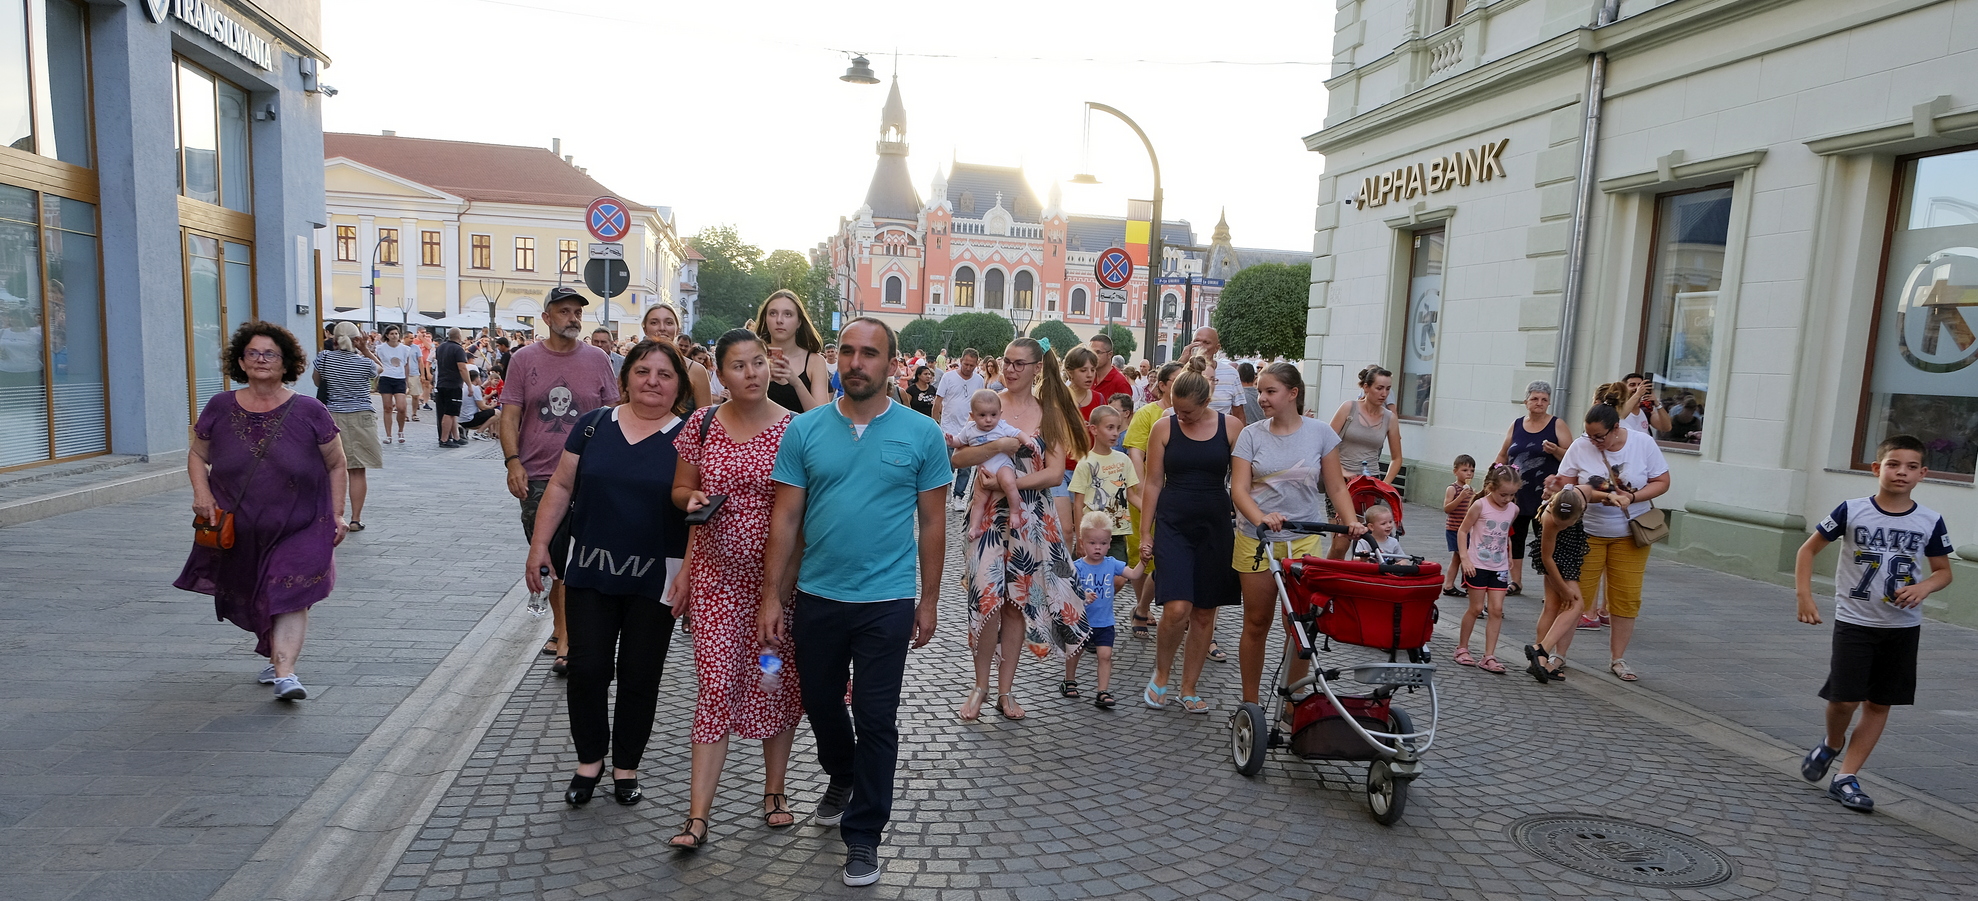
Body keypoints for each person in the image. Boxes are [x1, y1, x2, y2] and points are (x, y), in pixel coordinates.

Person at [758, 317, 947, 887]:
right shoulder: (806, 430)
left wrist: (929, 600)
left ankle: (863, 835)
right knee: (819, 703)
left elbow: (934, 522)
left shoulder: (921, 434)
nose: (856, 363)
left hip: (886, 599)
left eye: (870, 354)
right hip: (816, 594)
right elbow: (786, 517)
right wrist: (772, 595)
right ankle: (840, 771)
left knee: (877, 716)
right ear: (836, 358)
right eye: (847, 352)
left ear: (892, 365)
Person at [524, 339, 689, 811]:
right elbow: (559, 485)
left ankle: (626, 766)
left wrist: (692, 576)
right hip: (588, 572)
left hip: (657, 577)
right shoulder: (593, 426)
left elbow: (699, 511)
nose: (652, 381)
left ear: (678, 384)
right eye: (643, 371)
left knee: (641, 675)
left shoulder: (688, 437)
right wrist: (539, 545)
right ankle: (589, 761)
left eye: (664, 374)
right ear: (625, 378)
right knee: (587, 668)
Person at [662, 328, 801, 848]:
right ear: (719, 374)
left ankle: (774, 792)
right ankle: (698, 818)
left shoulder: (796, 431)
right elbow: (679, 489)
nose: (751, 373)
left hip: (779, 587)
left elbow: (801, 517)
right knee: (715, 687)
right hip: (716, 587)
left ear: (770, 366)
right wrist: (690, 500)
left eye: (758, 362)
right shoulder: (700, 424)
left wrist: (781, 593)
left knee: (774, 683)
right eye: (739, 365)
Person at [176, 321, 348, 701]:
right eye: (252, 353)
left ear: (286, 364)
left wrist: (337, 514)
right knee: (257, 591)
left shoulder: (310, 410)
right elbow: (197, 454)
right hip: (243, 526)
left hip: (303, 522)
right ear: (240, 360)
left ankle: (286, 673)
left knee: (290, 590)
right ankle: (275, 655)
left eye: (270, 354)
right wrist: (201, 494)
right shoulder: (220, 406)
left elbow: (337, 463)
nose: (261, 360)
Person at [1793, 435, 1954, 813]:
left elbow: (1944, 572)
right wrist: (1804, 595)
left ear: (1923, 473)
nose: (1902, 472)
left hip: (1902, 627)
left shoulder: (1929, 520)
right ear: (1876, 468)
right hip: (1855, 621)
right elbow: (1808, 549)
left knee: (1880, 703)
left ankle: (1845, 777)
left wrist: (1925, 586)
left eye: (1912, 467)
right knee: (1844, 698)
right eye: (1894, 464)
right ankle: (1833, 743)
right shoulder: (1852, 510)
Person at [953, 336, 1091, 723]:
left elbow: (1052, 472)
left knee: (1015, 606)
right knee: (986, 600)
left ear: (1036, 369)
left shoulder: (1050, 413)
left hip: (1030, 518)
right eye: (1007, 362)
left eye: (1019, 364)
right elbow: (959, 454)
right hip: (987, 517)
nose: (1010, 369)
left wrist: (1008, 482)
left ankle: (1005, 691)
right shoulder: (989, 401)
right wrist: (997, 449)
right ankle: (979, 686)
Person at [501, 286, 621, 676]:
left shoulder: (598, 359)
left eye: (576, 312)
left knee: (582, 560)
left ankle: (569, 637)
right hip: (538, 475)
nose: (572, 317)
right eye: (563, 311)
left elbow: (613, 413)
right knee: (552, 559)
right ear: (547, 318)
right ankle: (562, 629)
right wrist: (512, 462)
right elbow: (510, 415)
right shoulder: (523, 359)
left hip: (590, 475)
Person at [1228, 362, 1362, 708]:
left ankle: (1292, 699)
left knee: (1300, 623)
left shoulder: (1320, 433)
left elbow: (1334, 484)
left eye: (1270, 391)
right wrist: (1261, 518)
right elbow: (1239, 490)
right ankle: (1251, 704)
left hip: (1304, 535)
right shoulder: (1251, 434)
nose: (1262, 398)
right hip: (1257, 539)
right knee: (1257, 622)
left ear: (1293, 394)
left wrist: (1351, 522)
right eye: (1260, 391)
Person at [1137, 356, 1239, 714]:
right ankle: (1161, 674)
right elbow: (1152, 482)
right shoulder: (1163, 428)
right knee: (1177, 606)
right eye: (1177, 411)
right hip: (1173, 522)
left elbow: (1242, 483)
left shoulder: (1232, 428)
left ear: (1206, 403)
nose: (1181, 417)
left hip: (1215, 525)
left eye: (1188, 413)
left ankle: (1189, 686)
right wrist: (1145, 531)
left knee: (1205, 612)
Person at [1558, 401, 1671, 682]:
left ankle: (1618, 659)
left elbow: (1662, 481)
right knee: (1575, 596)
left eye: (1599, 436)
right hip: (1587, 531)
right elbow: (1566, 483)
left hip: (1631, 533)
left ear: (1616, 428)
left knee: (1626, 598)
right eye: (1588, 435)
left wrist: (1632, 497)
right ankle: (1558, 654)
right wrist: (1557, 486)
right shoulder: (1581, 446)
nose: (1593, 441)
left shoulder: (1642, 444)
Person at [1494, 380, 1572, 595]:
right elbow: (1503, 454)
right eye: (1535, 399)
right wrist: (1495, 474)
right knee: (1515, 537)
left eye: (1544, 400)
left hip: (1545, 494)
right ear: (1526, 401)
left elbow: (1572, 456)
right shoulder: (1517, 424)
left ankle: (1553, 586)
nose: (1539, 403)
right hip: (1517, 493)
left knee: (1546, 540)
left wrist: (1556, 450)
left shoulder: (1557, 425)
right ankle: (1516, 581)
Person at [1123, 361, 1183, 640]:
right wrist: (1145, 492)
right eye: (1176, 380)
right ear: (1162, 385)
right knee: (1142, 555)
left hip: (1177, 496)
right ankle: (1143, 609)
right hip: (1146, 493)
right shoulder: (1147, 414)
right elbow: (1136, 453)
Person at [1062, 511, 1143, 709]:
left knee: (1105, 656)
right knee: (1075, 653)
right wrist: (1083, 595)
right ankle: (1069, 680)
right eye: (1092, 543)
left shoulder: (1111, 564)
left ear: (1109, 543)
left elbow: (1133, 574)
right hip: (1081, 621)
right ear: (1082, 543)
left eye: (1103, 543)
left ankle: (1102, 691)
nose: (1098, 548)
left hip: (1105, 622)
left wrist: (1144, 561)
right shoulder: (1078, 567)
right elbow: (1067, 591)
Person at [1523, 476, 1597, 683]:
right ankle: (1541, 650)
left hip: (1568, 555)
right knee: (1576, 604)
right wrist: (1564, 588)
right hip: (1556, 560)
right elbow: (1547, 558)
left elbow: (1592, 491)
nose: (1562, 526)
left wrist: (1609, 496)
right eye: (1559, 523)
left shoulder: (1581, 495)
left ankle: (1537, 664)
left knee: (1552, 606)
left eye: (1567, 524)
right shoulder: (1549, 519)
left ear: (1580, 511)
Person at [312, 322, 382, 531]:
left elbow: (317, 382)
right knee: (357, 471)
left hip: (333, 416)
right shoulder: (363, 363)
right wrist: (365, 349)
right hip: (362, 416)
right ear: (356, 339)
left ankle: (330, 516)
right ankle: (355, 519)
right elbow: (380, 369)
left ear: (334, 339)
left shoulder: (323, 358)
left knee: (332, 468)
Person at [1329, 364, 1403, 558]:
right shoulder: (1349, 408)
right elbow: (1326, 443)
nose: (1384, 393)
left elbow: (1397, 457)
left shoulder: (1389, 418)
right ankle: (1328, 581)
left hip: (1370, 484)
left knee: (1368, 543)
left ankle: (1356, 581)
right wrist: (1342, 472)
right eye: (1379, 388)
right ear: (1366, 387)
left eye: (1388, 389)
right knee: (1340, 542)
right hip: (1341, 482)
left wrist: (1384, 485)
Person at [1454, 465, 1521, 674]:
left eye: (1512, 495)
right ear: (1491, 487)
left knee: (1496, 610)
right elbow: (1462, 530)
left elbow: (1505, 534)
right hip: (1477, 564)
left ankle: (1489, 655)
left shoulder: (1513, 509)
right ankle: (1462, 648)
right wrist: (1465, 559)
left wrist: (1508, 556)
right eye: (1503, 494)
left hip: (1499, 567)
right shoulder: (1480, 506)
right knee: (1475, 609)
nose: (1508, 499)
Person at [948, 389, 1025, 539]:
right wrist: (951, 441)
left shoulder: (1001, 426)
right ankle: (974, 528)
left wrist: (1027, 441)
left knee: (1009, 483)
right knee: (978, 500)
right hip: (983, 471)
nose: (988, 420)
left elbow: (1017, 433)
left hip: (1003, 466)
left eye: (993, 415)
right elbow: (960, 442)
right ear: (972, 416)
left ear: (1000, 414)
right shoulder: (970, 429)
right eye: (982, 415)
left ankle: (1015, 512)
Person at [1069, 404, 1139, 562]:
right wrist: (1080, 538)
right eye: (1110, 428)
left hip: (1117, 532)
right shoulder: (1085, 463)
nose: (1115, 433)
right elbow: (1078, 504)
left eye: (1117, 428)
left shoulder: (1124, 460)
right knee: (1087, 576)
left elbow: (1131, 495)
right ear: (1094, 429)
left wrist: (1152, 511)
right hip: (1092, 532)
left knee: (1119, 576)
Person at [754, 289, 832, 412]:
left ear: (799, 322)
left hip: (801, 431)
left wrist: (796, 382)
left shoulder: (815, 361)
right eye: (773, 313)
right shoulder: (752, 355)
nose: (779, 320)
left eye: (788, 314)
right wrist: (762, 381)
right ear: (765, 319)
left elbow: (821, 417)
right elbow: (737, 408)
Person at [934, 348, 985, 513]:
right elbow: (938, 400)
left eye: (972, 365)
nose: (968, 368)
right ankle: (947, 486)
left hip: (969, 429)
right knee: (947, 463)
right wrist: (936, 422)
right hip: (948, 427)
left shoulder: (979, 380)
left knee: (966, 466)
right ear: (960, 361)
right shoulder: (949, 377)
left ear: (976, 364)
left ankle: (958, 496)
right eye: (966, 364)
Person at [640, 302, 713, 408]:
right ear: (645, 329)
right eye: (654, 323)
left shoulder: (696, 371)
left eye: (669, 323)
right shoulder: (632, 365)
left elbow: (704, 418)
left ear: (677, 329)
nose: (662, 328)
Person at [1184, 327, 1245, 427]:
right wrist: (1182, 361)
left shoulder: (1231, 373)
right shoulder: (1183, 370)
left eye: (1206, 343)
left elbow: (1238, 413)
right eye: (1196, 341)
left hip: (1219, 433)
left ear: (1217, 348)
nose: (1200, 346)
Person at [1442, 455, 1477, 597]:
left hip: (1467, 530)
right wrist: (1461, 497)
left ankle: (1449, 585)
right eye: (1465, 470)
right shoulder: (1453, 489)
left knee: (1458, 558)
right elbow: (1447, 508)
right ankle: (1468, 585)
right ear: (1455, 471)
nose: (1469, 473)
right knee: (1464, 557)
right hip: (1454, 529)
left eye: (1472, 470)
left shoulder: (1471, 490)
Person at [375, 325, 416, 444]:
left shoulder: (405, 349)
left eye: (396, 333)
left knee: (401, 407)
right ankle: (388, 435)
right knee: (387, 407)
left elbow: (407, 365)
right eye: (392, 333)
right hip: (386, 377)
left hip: (399, 378)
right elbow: (377, 362)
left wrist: (407, 380)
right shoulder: (381, 348)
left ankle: (401, 431)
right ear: (387, 335)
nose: (394, 336)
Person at [434, 328, 470, 447]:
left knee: (452, 412)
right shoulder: (458, 349)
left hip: (441, 383)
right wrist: (469, 385)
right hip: (453, 384)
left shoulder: (440, 348)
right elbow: (462, 368)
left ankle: (456, 437)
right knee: (449, 413)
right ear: (459, 337)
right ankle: (444, 439)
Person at [1619, 373, 1672, 437]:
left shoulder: (1645, 410)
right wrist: (1638, 394)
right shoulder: (1618, 408)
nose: (1637, 388)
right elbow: (1620, 417)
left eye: (1640, 385)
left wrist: (1657, 404)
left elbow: (1666, 427)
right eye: (1632, 385)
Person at [1088, 332, 1132, 402]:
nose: (1093, 356)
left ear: (1109, 354)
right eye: (1090, 352)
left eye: (1098, 352)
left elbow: (1126, 411)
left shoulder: (1120, 383)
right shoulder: (1088, 377)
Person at [458, 370, 500, 439]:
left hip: (461, 419)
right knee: (497, 412)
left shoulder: (463, 386)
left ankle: (465, 429)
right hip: (470, 420)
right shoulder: (474, 388)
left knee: (485, 411)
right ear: (477, 378)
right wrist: (492, 406)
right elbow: (482, 407)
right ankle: (478, 432)